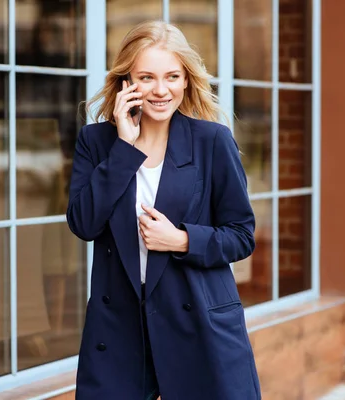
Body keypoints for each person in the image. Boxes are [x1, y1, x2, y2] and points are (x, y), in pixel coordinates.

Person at [66, 20, 261, 400]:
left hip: (197, 323)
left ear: (186, 80)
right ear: (126, 82)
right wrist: (125, 147)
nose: (160, 90)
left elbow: (241, 235)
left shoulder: (212, 141)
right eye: (146, 77)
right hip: (119, 330)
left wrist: (182, 239)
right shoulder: (96, 142)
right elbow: (83, 223)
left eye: (172, 76)